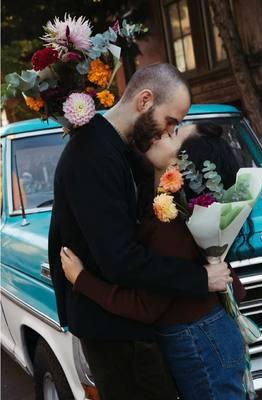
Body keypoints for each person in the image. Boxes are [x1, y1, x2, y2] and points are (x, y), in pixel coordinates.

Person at [49, 63, 232, 400]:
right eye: (171, 122)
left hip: (131, 323)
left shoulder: (117, 149)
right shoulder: (93, 155)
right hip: (115, 332)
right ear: (145, 100)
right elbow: (119, 259)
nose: (169, 132)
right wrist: (200, 279)